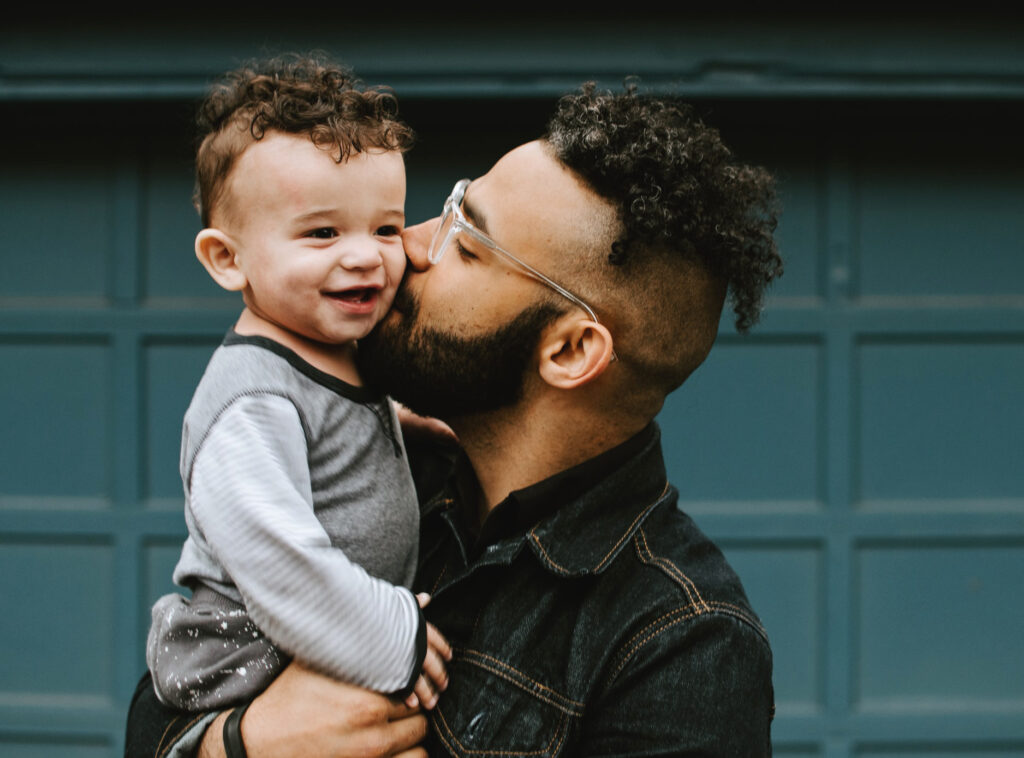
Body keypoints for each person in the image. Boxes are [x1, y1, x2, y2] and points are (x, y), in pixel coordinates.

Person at [126, 77, 783, 757]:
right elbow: (164, 698)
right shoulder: (375, 467)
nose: (404, 247)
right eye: (446, 212)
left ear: (570, 349)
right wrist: (238, 745)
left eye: (466, 245)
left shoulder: (682, 642)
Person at [143, 52, 451, 724]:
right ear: (228, 259)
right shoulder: (251, 402)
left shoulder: (335, 351)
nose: (365, 254)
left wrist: (403, 424)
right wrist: (389, 636)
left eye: (386, 228)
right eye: (322, 233)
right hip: (243, 655)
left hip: (315, 638)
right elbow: (278, 558)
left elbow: (333, 426)